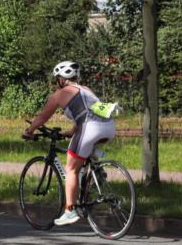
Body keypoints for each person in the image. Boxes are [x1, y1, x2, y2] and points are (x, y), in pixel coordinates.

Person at [23, 61, 117, 225]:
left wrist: (30, 131)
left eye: (57, 79)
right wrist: (72, 131)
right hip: (109, 127)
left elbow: (43, 117)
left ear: (60, 79)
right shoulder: (86, 89)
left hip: (90, 128)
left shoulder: (59, 94)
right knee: (83, 151)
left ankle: (69, 210)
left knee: (71, 169)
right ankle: (96, 173)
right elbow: (90, 111)